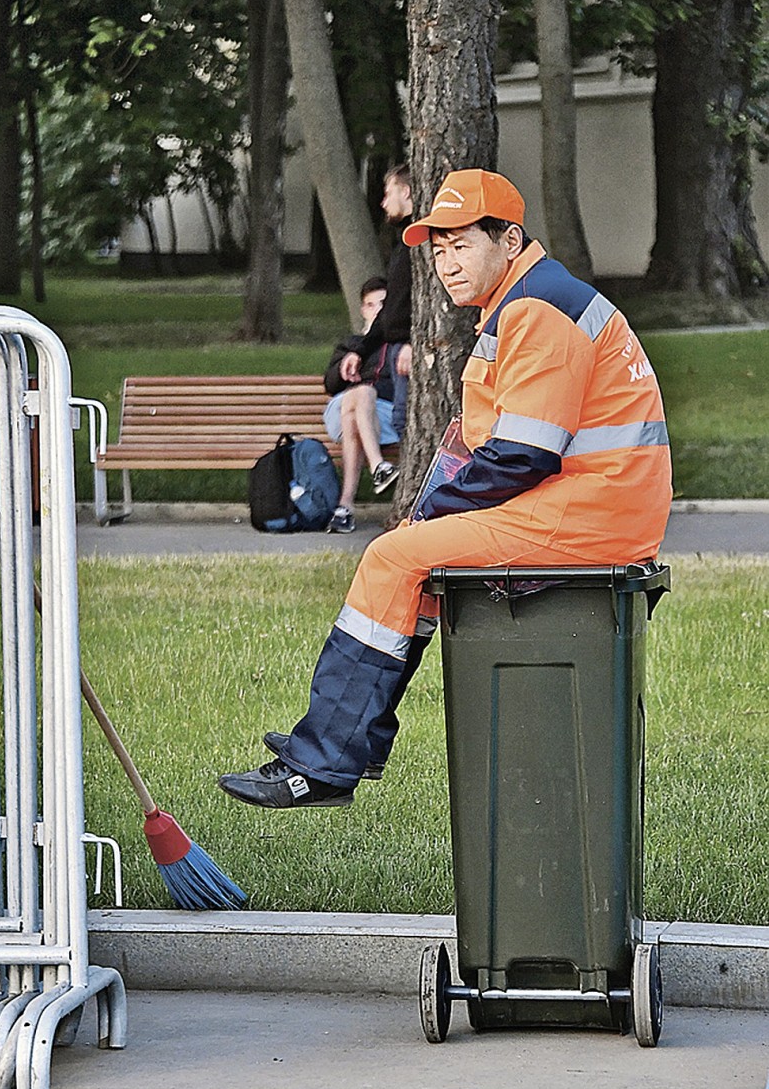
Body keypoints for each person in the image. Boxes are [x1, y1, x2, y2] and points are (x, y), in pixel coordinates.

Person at [219, 168, 672, 809]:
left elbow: (521, 455)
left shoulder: (537, 310)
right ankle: (342, 745)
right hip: (589, 504)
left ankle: (326, 760)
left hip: (591, 512)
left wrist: (430, 512)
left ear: (509, 241)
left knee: (393, 556)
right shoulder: (527, 300)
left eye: (462, 245)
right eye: (439, 250)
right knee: (407, 560)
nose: (447, 264)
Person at [338, 163, 413, 444]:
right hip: (395, 348)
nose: (383, 202)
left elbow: (428, 304)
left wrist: (413, 341)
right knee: (403, 421)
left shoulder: (421, 242)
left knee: (407, 422)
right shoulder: (403, 245)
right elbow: (391, 310)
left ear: (405, 192)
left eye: (388, 193)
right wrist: (359, 350)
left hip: (408, 351)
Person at [323, 276, 401, 534]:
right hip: (342, 408)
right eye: (371, 305)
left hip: (383, 417)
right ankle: (378, 465)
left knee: (357, 410)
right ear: (363, 310)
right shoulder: (352, 344)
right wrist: (346, 367)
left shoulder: (399, 345)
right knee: (360, 395)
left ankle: (344, 508)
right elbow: (331, 384)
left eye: (383, 304)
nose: (377, 310)